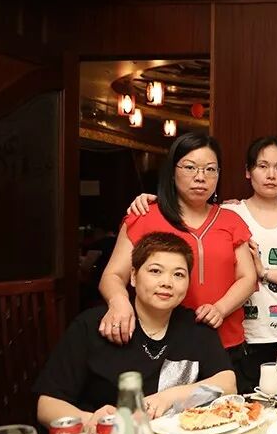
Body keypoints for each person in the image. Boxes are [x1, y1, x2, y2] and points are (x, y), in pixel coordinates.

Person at [127, 137, 277, 390]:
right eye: (262, 166)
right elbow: (189, 206)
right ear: (248, 171)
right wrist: (155, 200)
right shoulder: (231, 212)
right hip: (247, 334)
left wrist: (263, 272)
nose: (271, 175)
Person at [36, 232, 237, 426]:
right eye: (155, 271)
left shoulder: (196, 326)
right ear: (133, 276)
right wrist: (90, 421)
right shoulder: (92, 325)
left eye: (178, 274)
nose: (167, 283)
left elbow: (228, 384)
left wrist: (169, 397)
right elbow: (46, 406)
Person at [99, 132, 257, 376]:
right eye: (190, 167)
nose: (200, 177)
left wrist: (220, 309)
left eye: (210, 169)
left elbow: (248, 277)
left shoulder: (231, 220)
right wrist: (118, 303)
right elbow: (112, 275)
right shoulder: (145, 216)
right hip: (159, 347)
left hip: (225, 343)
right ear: (172, 171)